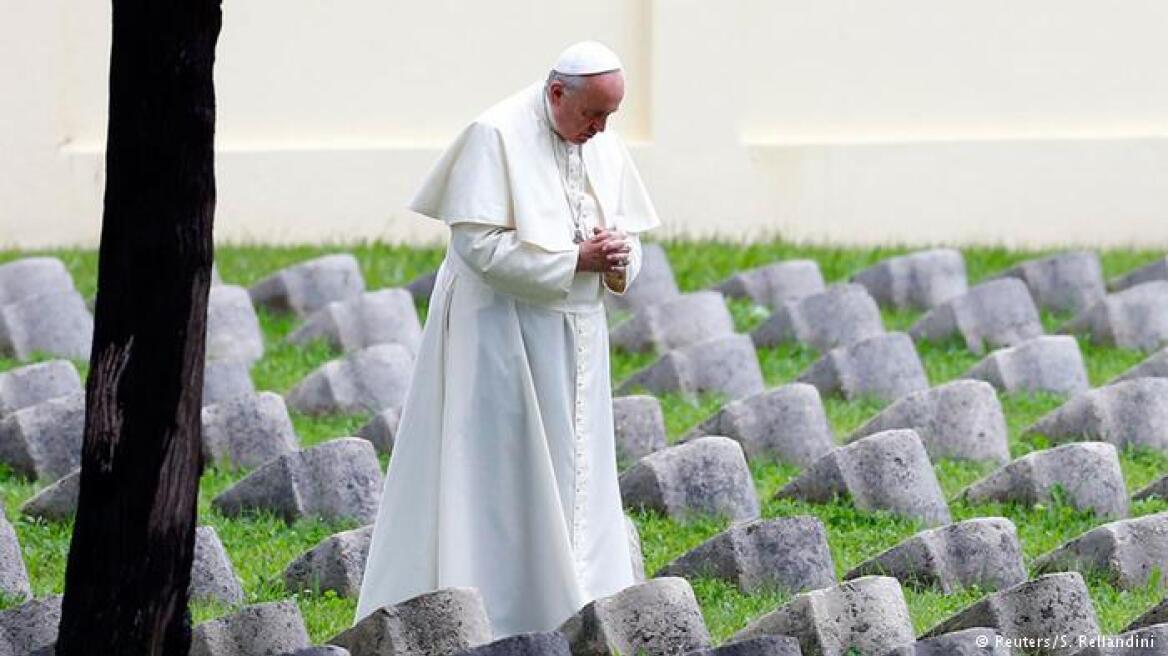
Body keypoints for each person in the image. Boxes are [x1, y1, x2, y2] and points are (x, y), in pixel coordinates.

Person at [353, 41, 661, 638]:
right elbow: (478, 248)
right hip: (501, 334)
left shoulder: (601, 142)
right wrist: (577, 259)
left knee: (579, 469)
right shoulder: (493, 136)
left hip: (578, 341)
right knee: (500, 470)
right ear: (556, 94)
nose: (600, 129)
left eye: (609, 117)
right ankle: (500, 609)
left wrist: (619, 258)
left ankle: (578, 601)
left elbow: (626, 235)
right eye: (592, 114)